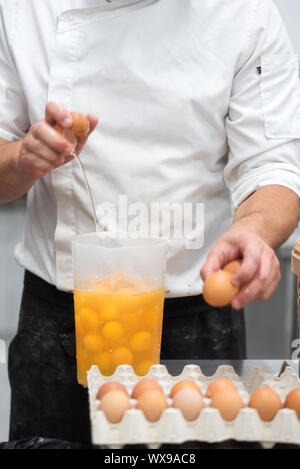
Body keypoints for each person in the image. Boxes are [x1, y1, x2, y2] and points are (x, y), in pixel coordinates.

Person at [0, 0, 300, 445]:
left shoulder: (245, 12)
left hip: (197, 318)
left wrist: (254, 229)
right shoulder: (26, 8)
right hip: (62, 323)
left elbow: (273, 166)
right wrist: (24, 159)